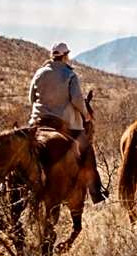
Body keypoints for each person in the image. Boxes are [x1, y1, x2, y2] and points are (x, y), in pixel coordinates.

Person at [28, 42, 107, 203]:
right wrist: (86, 116)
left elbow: (31, 98)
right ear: (65, 56)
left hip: (37, 121)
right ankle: (96, 192)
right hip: (63, 123)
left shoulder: (39, 73)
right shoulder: (69, 74)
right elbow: (77, 99)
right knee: (87, 152)